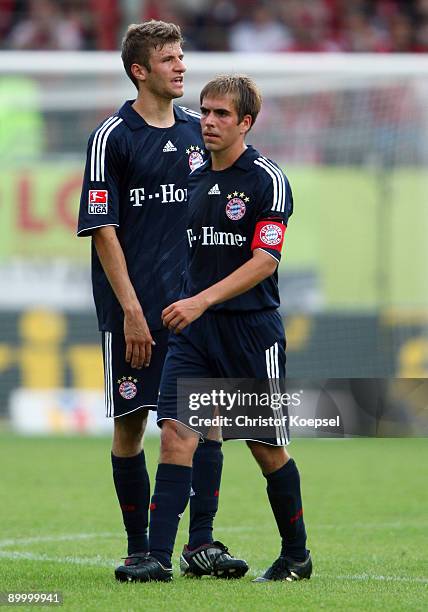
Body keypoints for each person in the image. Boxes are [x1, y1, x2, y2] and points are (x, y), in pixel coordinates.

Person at [77, 21, 247, 582]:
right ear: (140, 71)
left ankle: (202, 543)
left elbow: (245, 180)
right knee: (131, 426)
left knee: (209, 420)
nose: (181, 67)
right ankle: (139, 546)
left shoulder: (205, 131)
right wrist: (130, 311)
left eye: (182, 56)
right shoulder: (112, 137)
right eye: (170, 59)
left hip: (195, 308)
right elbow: (104, 230)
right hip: (134, 309)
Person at [130, 74, 312, 583]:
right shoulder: (191, 177)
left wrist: (201, 300)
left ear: (246, 123)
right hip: (195, 334)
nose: (208, 121)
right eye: (205, 111)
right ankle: (156, 558)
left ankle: (296, 554)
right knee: (175, 436)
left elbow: (265, 261)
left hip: (249, 333)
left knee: (265, 447)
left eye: (222, 115)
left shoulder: (266, 180)